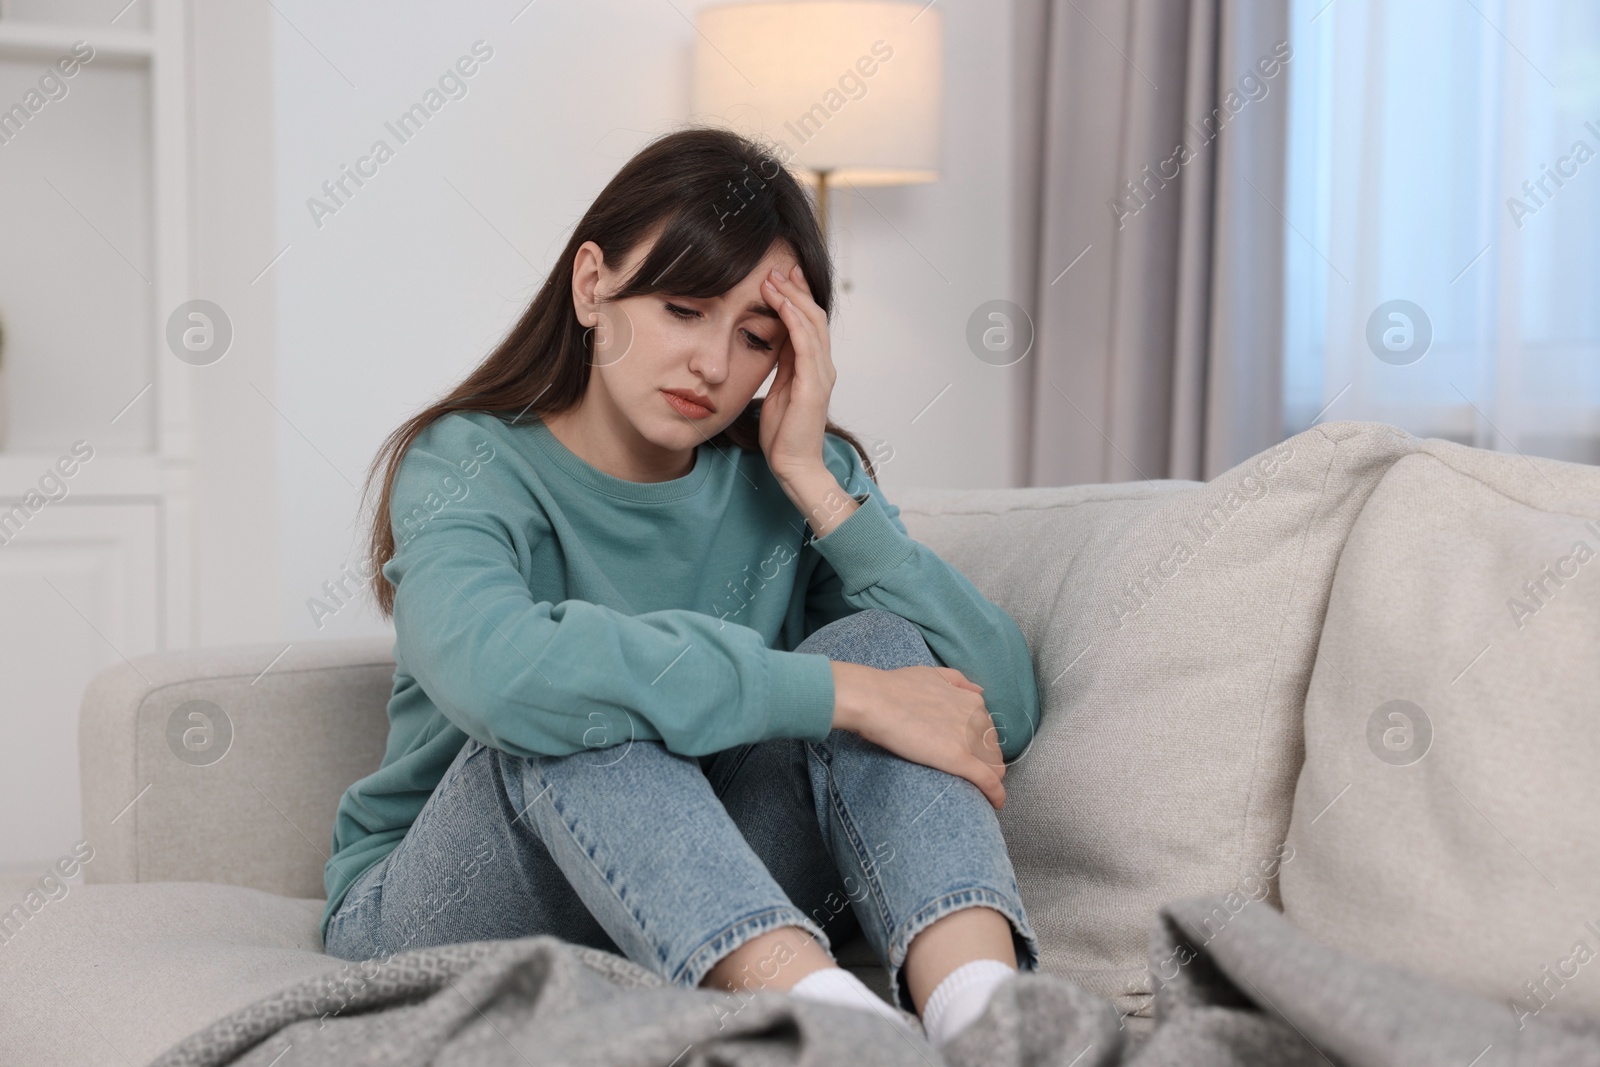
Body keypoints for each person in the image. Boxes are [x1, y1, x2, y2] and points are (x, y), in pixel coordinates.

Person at [321, 125, 1041, 1049]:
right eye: (683, 309)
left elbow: (998, 711)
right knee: (581, 701)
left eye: (756, 336)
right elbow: (502, 675)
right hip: (452, 901)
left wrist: (821, 489)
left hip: (700, 878)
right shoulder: (468, 459)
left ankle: (989, 1018)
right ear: (593, 285)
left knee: (878, 648)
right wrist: (842, 697)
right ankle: (834, 1028)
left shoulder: (796, 476)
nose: (713, 365)